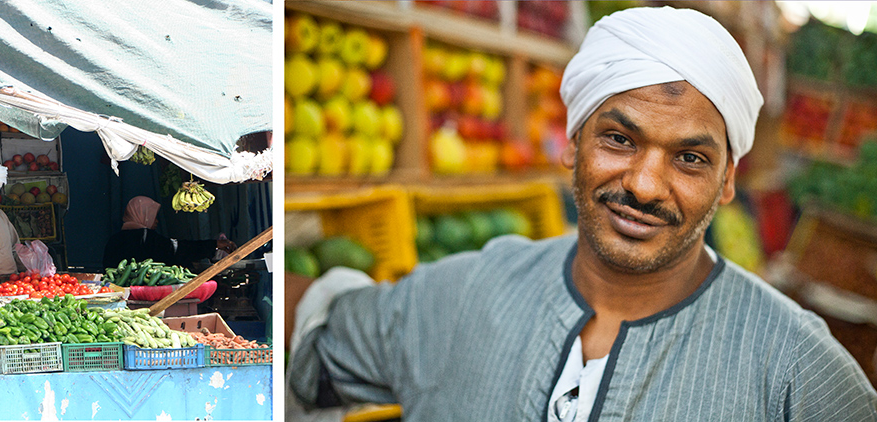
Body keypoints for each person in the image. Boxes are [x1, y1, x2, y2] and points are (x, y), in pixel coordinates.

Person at [288, 7, 877, 421]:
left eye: (690, 157)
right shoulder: (466, 293)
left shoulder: (798, 373)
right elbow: (317, 331)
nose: (645, 186)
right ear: (571, 144)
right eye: (620, 139)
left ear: (727, 182)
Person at [102, 196, 236, 270]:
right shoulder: (148, 238)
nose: (157, 221)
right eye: (153, 216)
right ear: (145, 216)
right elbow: (179, 249)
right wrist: (214, 245)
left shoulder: (114, 240)